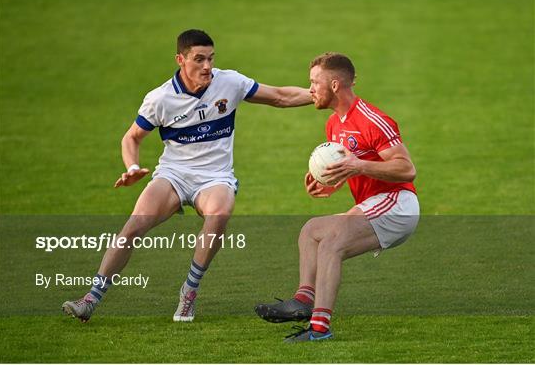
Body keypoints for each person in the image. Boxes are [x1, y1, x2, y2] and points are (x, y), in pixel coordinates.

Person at [62, 29, 312, 323]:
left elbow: (280, 97)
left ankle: (189, 291)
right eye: (198, 59)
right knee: (133, 227)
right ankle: (91, 298)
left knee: (219, 214)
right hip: (174, 175)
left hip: (215, 176)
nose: (207, 66)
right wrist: (132, 167)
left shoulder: (229, 82)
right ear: (180, 59)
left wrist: (320, 94)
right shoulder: (160, 99)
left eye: (210, 58)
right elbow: (132, 138)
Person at [255, 52, 419, 342]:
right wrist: (328, 184)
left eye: (314, 83)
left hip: (398, 204)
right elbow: (351, 171)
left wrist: (359, 164)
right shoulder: (334, 124)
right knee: (311, 231)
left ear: (333, 85)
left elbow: (407, 169)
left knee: (332, 244)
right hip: (373, 205)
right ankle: (304, 300)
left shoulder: (372, 120)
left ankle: (319, 329)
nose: (310, 90)